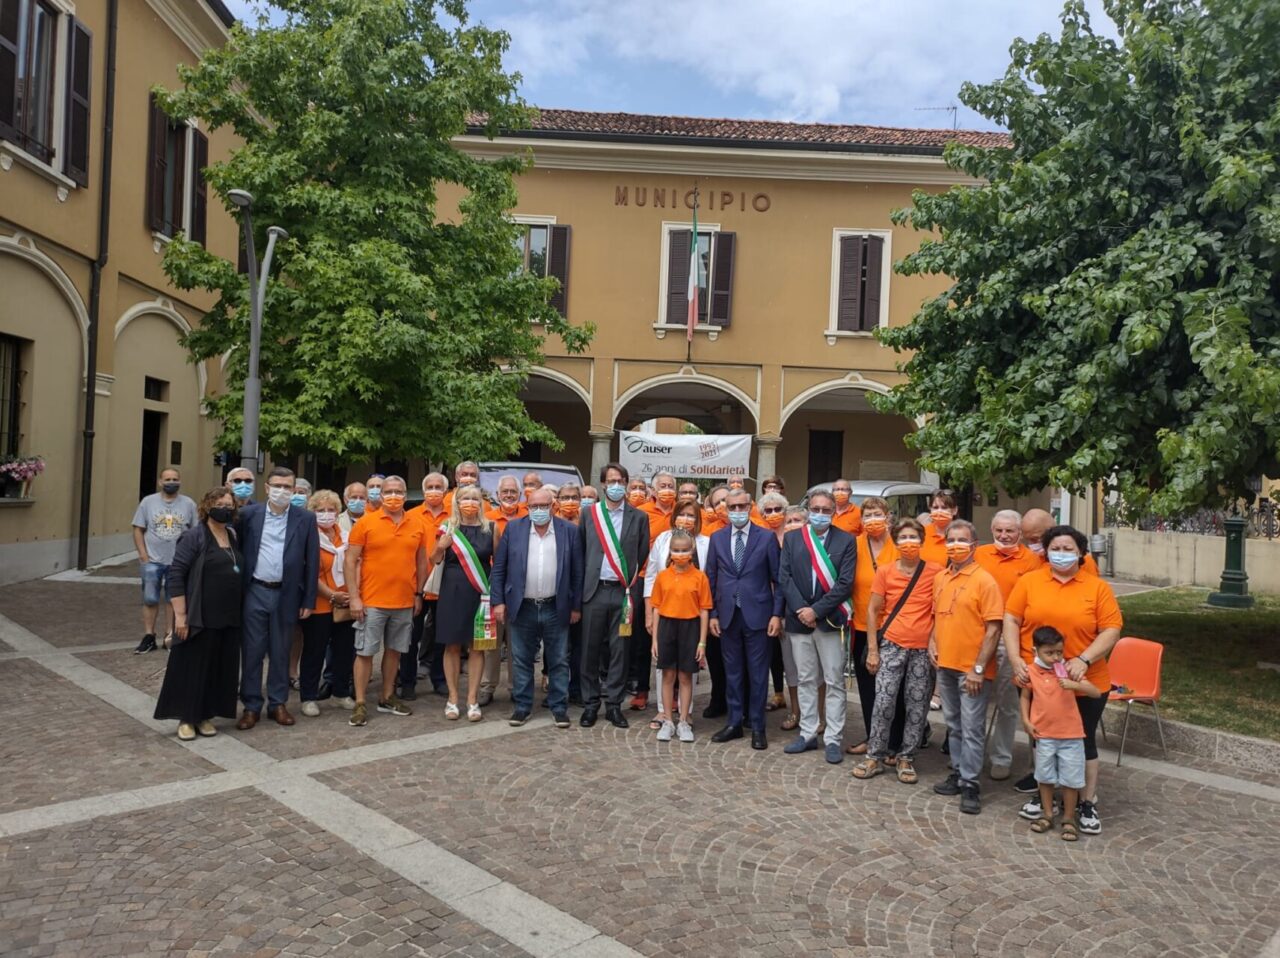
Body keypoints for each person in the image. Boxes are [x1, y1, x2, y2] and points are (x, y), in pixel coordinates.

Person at [1004, 525, 1122, 835]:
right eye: (1055, 547)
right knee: (1040, 735)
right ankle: (1046, 798)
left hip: (1085, 680)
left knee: (1082, 741)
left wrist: (1084, 659)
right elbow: (1012, 618)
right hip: (1038, 679)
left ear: (1082, 553)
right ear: (1045, 551)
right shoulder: (1030, 582)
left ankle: (1086, 801)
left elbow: (1111, 629)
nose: (1062, 553)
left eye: (1069, 548)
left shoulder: (1097, 588)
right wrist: (1017, 659)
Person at [852, 518, 940, 784]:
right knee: (883, 702)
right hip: (891, 643)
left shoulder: (936, 572)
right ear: (896, 541)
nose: (908, 543)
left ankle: (906, 757)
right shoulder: (886, 571)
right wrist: (872, 650)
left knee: (917, 705)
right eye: (903, 538)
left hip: (922, 649)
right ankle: (875, 755)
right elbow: (873, 610)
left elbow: (939, 613)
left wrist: (935, 643)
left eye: (914, 537)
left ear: (922, 542)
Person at [490, 486, 583, 729]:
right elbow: (499, 568)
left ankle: (559, 706)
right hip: (522, 606)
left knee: (559, 658)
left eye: (543, 506)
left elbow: (577, 573)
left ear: (553, 507)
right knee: (520, 658)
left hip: (556, 606)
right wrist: (498, 601)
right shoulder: (514, 529)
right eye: (533, 506)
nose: (538, 511)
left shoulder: (569, 531)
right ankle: (522, 706)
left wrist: (575, 606)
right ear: (527, 507)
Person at [154, 488, 243, 741]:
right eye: (220, 504)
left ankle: (205, 715)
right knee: (193, 667)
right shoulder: (194, 536)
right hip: (199, 616)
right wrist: (180, 617)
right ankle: (187, 717)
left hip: (227, 616)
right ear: (207, 506)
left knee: (216, 668)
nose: (225, 509)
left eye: (229, 505)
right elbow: (176, 575)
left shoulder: (232, 535)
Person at [235, 466, 319, 730]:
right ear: (267, 488)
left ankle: (277, 703)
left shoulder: (305, 518)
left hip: (287, 593)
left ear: (294, 490)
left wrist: (308, 600)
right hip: (255, 590)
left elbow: (312, 561)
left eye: (288, 487)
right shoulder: (248, 515)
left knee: (281, 650)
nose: (283, 491)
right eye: (278, 486)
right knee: (252, 651)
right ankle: (250, 706)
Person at [928, 519, 1003, 814]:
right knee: (954, 725)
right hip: (945, 664)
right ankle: (958, 772)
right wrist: (933, 643)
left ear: (974, 546)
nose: (955, 545)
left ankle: (971, 784)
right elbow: (938, 616)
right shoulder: (942, 577)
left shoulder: (985, 581)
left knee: (972, 728)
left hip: (972, 670)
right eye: (951, 540)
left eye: (962, 541)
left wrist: (979, 669)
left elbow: (993, 629)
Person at [779, 489, 857, 763]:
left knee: (834, 681)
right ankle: (808, 733)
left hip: (829, 621)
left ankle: (833, 738)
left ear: (834, 512)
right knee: (806, 679)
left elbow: (845, 583)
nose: (820, 514)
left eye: (826, 510)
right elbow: (784, 576)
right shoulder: (792, 538)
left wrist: (816, 611)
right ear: (808, 509)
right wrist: (803, 610)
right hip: (798, 620)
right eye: (816, 509)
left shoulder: (846, 541)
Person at [344, 476, 427, 726]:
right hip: (371, 601)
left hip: (403, 601)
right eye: (389, 491)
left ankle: (387, 696)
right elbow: (350, 561)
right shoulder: (366, 523)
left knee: (395, 652)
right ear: (380, 495)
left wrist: (418, 593)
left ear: (406, 494)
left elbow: (421, 561)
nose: (394, 495)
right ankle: (360, 702)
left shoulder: (417, 523)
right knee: (365, 652)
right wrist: (355, 597)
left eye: (399, 491)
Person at [707, 488, 785, 751]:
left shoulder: (766, 538)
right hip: (728, 616)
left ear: (750, 507)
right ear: (725, 509)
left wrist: (777, 613)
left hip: (759, 615)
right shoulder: (716, 538)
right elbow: (711, 578)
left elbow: (778, 579)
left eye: (742, 507)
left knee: (759, 673)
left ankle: (758, 726)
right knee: (733, 672)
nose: (737, 512)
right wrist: (713, 615)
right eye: (732, 508)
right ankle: (734, 722)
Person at [579, 462, 650, 729]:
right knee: (589, 650)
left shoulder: (639, 517)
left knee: (620, 649)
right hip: (595, 591)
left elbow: (641, 553)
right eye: (611, 481)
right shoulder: (590, 515)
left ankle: (614, 705)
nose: (616, 485)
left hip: (623, 594)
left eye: (621, 480)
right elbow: (582, 551)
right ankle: (590, 704)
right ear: (603, 484)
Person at [974, 509, 1042, 780]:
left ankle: (1001, 756)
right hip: (977, 634)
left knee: (1007, 702)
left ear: (1020, 534)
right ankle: (972, 753)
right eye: (999, 530)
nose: (1004, 535)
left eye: (1010, 531)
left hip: (1010, 638)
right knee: (974, 698)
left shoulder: (1032, 561)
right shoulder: (978, 554)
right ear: (992, 530)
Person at [1020, 626, 1102, 842]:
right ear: (1035, 650)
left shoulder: (1066, 669)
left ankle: (1069, 818)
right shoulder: (1031, 671)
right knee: (1044, 776)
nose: (1056, 657)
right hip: (1044, 734)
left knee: (1071, 779)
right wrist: (1026, 721)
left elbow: (1096, 692)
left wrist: (1075, 684)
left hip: (1071, 735)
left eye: (1059, 652)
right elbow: (1025, 696)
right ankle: (1047, 814)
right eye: (1050, 653)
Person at [432, 484, 498, 722]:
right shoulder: (447, 527)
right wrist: (441, 546)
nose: (470, 502)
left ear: (481, 503)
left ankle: (472, 699)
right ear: (456, 502)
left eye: (475, 498)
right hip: (452, 593)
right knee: (451, 646)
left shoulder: (491, 528)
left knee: (477, 646)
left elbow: (498, 566)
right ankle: (452, 698)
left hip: (480, 595)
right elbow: (434, 559)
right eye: (465, 498)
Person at [644, 500, 710, 730]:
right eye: (682, 514)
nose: (686, 519)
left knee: (687, 668)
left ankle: (686, 713)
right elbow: (652, 575)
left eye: (691, 515)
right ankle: (664, 712)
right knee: (665, 667)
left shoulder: (706, 542)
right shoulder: (663, 539)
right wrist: (649, 612)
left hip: (691, 615)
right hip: (665, 611)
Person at [297, 489, 355, 716]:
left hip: (344, 603)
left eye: (331, 510)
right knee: (314, 651)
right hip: (320, 603)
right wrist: (331, 594)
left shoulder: (345, 535)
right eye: (320, 510)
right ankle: (308, 696)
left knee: (344, 650)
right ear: (312, 513)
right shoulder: (308, 536)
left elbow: (354, 565)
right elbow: (308, 573)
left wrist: (349, 594)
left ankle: (340, 692)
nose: (326, 514)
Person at [848, 496, 897, 754]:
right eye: (867, 515)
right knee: (868, 687)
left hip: (894, 627)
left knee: (894, 688)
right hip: (862, 625)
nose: (872, 520)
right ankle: (872, 736)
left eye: (877, 514)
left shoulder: (900, 545)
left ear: (888, 517)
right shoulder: (854, 545)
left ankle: (895, 741)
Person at [132, 467, 198, 653]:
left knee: (173, 599)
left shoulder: (188, 504)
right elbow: (138, 528)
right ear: (160, 482)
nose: (171, 482)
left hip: (179, 562)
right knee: (150, 599)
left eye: (175, 479)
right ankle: (149, 636)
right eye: (167, 479)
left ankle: (170, 635)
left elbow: (196, 531)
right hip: (152, 560)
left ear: (180, 481)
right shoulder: (148, 502)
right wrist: (143, 556)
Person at [630, 470, 678, 709]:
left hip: (676, 582)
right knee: (641, 637)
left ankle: (674, 692)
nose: (667, 489)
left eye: (671, 485)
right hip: (644, 579)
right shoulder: (641, 514)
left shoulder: (681, 513)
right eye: (663, 485)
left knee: (673, 637)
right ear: (654, 490)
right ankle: (641, 689)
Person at [480, 475, 527, 706]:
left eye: (513, 491)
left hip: (521, 589)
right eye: (505, 491)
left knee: (517, 643)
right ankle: (487, 687)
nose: (509, 495)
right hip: (494, 587)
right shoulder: (486, 520)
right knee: (492, 643)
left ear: (520, 494)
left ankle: (515, 688)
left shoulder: (528, 517)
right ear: (497, 495)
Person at [407, 472, 450, 699]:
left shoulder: (454, 516)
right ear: (424, 491)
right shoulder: (411, 515)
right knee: (411, 635)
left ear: (445, 491)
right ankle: (407, 680)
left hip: (444, 585)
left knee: (441, 635)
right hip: (417, 584)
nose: (434, 490)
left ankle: (439, 678)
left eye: (438, 487)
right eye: (430, 487)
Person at [757, 491, 791, 713]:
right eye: (768, 511)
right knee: (773, 651)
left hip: (792, 602)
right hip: (766, 600)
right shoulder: (760, 536)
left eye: (777, 509)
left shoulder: (792, 535)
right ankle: (778, 692)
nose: (773, 514)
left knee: (790, 652)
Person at [1022, 508, 1101, 575]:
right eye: (1028, 540)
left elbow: (1092, 589)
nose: (1031, 545)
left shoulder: (1083, 561)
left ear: (1051, 532)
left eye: (1034, 539)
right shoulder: (1028, 559)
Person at [921, 490, 957, 566]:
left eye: (944, 508)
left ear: (954, 511)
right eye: (935, 507)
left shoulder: (963, 536)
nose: (939, 511)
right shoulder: (921, 533)